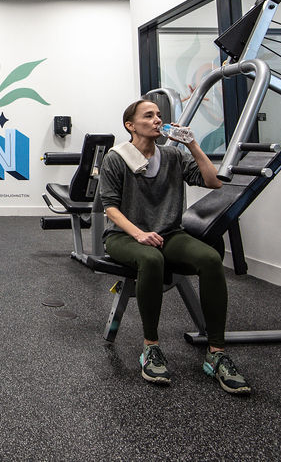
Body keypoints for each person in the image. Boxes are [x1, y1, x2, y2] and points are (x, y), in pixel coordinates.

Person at [97, 99, 251, 395]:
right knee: (151, 259)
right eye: (149, 115)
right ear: (130, 125)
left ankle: (216, 353)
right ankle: (151, 348)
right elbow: (111, 209)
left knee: (209, 258)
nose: (157, 119)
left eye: (159, 115)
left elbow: (214, 182)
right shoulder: (117, 158)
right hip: (124, 236)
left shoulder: (173, 156)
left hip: (169, 233)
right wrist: (139, 233)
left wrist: (192, 144)